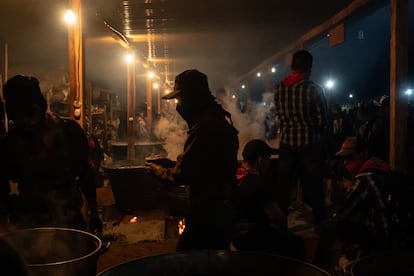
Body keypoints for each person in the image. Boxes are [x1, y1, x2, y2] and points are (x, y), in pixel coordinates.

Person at [146, 69, 239, 251]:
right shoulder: (213, 119)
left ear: (193, 97)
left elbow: (186, 173)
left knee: (188, 258)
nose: (178, 105)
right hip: (220, 208)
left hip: (210, 213)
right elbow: (201, 164)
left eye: (180, 99)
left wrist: (160, 172)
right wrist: (172, 163)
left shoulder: (206, 127)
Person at [0, 75, 102, 235]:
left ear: (41, 107)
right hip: (29, 224)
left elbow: (86, 177)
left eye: (30, 114)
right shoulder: (11, 142)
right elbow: (2, 187)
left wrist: (94, 214)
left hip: (69, 219)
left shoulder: (69, 132)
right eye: (18, 118)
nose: (26, 123)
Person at [315, 136, 394, 273]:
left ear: (364, 153)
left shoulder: (364, 178)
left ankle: (319, 270)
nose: (346, 162)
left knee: (327, 227)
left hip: (381, 233)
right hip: (392, 228)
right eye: (344, 158)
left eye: (351, 157)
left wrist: (328, 221)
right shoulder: (381, 166)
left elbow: (343, 213)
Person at [273, 49, 329, 226]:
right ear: (309, 68)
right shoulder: (314, 89)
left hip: (286, 143)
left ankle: (280, 225)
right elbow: (322, 119)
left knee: (283, 187)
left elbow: (278, 114)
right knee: (313, 187)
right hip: (308, 144)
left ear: (292, 67)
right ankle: (318, 225)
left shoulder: (279, 87)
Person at [231, 139, 305, 260]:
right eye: (268, 158)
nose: (269, 163)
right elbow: (276, 216)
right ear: (261, 160)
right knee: (297, 243)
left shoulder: (234, 179)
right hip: (253, 240)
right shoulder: (257, 183)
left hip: (235, 238)